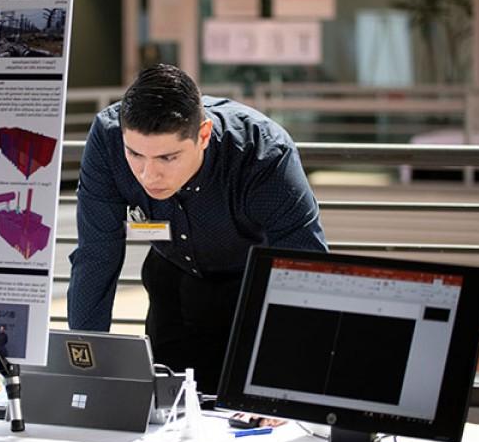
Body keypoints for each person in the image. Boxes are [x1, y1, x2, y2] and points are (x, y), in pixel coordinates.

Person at [67, 64, 327, 394]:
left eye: (167, 158)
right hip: (172, 281)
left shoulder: (263, 154)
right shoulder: (107, 138)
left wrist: (290, 379)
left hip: (249, 289)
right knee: (168, 413)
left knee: (253, 409)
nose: (149, 175)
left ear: (202, 136)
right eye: (135, 154)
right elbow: (96, 255)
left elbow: (305, 269)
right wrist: (84, 368)